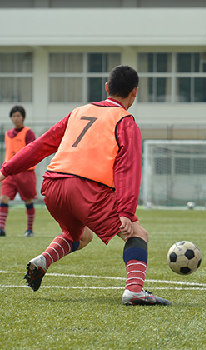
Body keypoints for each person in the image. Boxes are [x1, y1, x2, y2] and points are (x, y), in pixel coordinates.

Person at [2, 65, 170, 305]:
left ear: (106, 88)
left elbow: (40, 145)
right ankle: (134, 290)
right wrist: (126, 212)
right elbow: (128, 169)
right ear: (135, 92)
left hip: (53, 185)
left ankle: (42, 261)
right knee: (137, 233)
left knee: (80, 235)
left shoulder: (79, 111)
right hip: (86, 189)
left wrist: (5, 170)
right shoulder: (125, 120)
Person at [0, 106, 37, 237]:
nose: (16, 118)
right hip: (9, 172)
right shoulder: (7, 134)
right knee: (3, 198)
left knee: (28, 200)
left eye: (18, 116)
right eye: (14, 116)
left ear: (23, 117)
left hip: (25, 172)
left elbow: (32, 150)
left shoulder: (28, 133)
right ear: (11, 118)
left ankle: (29, 230)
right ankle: (1, 228)